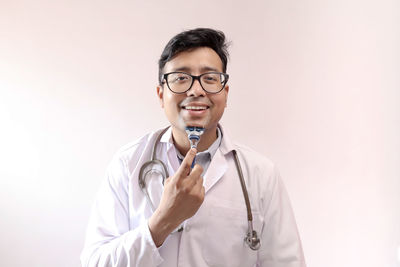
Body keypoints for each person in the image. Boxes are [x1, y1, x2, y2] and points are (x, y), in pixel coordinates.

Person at [81, 28, 306, 267]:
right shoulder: (128, 164)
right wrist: (162, 222)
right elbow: (95, 262)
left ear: (225, 93)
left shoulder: (261, 175)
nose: (196, 90)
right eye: (180, 78)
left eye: (209, 78)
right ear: (160, 94)